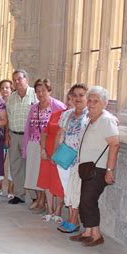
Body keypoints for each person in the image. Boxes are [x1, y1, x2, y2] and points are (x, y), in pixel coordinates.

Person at [70, 86, 119, 246]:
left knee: (88, 200)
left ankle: (96, 235)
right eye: (89, 100)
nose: (91, 104)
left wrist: (110, 170)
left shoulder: (106, 119)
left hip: (99, 169)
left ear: (104, 103)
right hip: (88, 168)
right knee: (85, 200)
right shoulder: (92, 118)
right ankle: (88, 231)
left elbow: (114, 144)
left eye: (95, 101)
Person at [23, 79, 66, 213]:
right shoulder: (34, 107)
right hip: (34, 142)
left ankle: (44, 203)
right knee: (35, 173)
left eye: (43, 91)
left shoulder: (58, 106)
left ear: (49, 91)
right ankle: (40, 199)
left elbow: (67, 119)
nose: (40, 94)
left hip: (49, 145)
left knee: (44, 174)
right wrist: (25, 147)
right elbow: (28, 127)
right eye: (38, 91)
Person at [53, 84, 89, 233]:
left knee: (76, 190)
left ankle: (73, 220)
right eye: (75, 95)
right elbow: (59, 133)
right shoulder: (67, 114)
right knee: (68, 190)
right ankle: (73, 218)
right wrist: (55, 152)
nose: (78, 98)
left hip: (80, 159)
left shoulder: (90, 115)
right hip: (65, 158)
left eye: (81, 95)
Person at [38, 89, 74, 223]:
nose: (70, 102)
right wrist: (42, 150)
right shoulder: (57, 114)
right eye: (68, 99)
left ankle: (58, 211)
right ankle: (49, 210)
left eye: (73, 99)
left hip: (62, 153)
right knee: (47, 180)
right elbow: (45, 132)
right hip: (48, 151)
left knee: (59, 181)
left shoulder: (77, 117)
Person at [6, 69, 38, 204]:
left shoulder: (35, 95)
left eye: (19, 78)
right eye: (15, 80)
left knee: (31, 166)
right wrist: (7, 135)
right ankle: (19, 194)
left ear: (27, 79)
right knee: (15, 165)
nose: (17, 81)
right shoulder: (11, 98)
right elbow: (8, 117)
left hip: (29, 137)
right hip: (14, 135)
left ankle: (36, 196)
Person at [0, 79, 14, 198]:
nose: (5, 90)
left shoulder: (13, 102)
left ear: (11, 89)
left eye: (7, 87)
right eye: (2, 88)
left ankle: (11, 188)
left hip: (11, 135)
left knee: (11, 162)